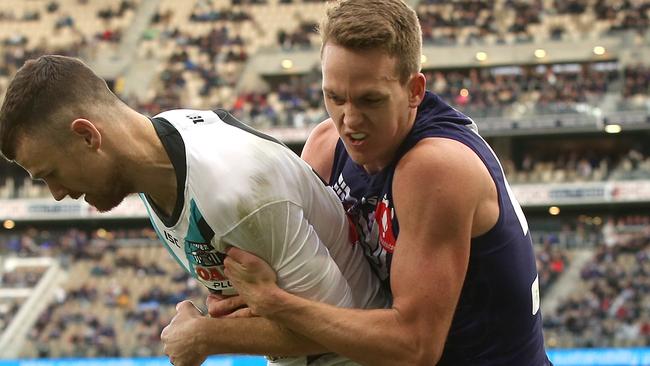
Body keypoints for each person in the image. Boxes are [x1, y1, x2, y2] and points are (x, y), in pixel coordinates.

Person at [215, 0, 553, 365]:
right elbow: (294, 291)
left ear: (414, 91)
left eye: (370, 100)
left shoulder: (436, 168)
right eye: (334, 97)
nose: (350, 120)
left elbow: (414, 346)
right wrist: (233, 306)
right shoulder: (326, 146)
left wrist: (264, 308)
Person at [0, 55, 389, 366]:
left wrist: (206, 336)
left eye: (50, 173)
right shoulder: (165, 144)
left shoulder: (234, 192)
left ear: (88, 136)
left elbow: (345, 324)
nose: (56, 193)